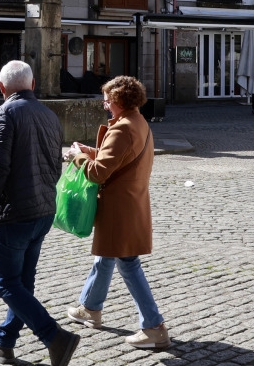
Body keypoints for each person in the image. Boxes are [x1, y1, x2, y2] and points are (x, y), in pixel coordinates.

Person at [0, 60, 79, 366]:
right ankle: (3, 343)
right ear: (33, 85)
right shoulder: (49, 114)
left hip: (15, 214)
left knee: (7, 284)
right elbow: (53, 165)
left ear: (1, 88)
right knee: (23, 282)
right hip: (43, 210)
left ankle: (55, 336)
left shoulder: (5, 113)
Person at [64, 76, 172, 350]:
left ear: (119, 102)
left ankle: (154, 326)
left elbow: (98, 172)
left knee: (127, 262)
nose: (105, 105)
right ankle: (90, 307)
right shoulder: (138, 122)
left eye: (107, 100)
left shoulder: (122, 128)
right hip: (129, 203)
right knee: (107, 257)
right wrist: (88, 150)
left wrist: (77, 158)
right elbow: (116, 158)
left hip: (119, 207)